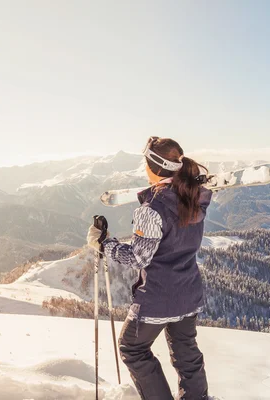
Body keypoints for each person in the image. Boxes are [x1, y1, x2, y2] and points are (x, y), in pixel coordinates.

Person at [87, 136, 211, 400]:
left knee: (132, 348)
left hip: (157, 297)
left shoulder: (152, 209)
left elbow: (138, 257)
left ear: (153, 166)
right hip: (188, 293)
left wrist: (103, 246)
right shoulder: (193, 198)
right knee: (186, 351)